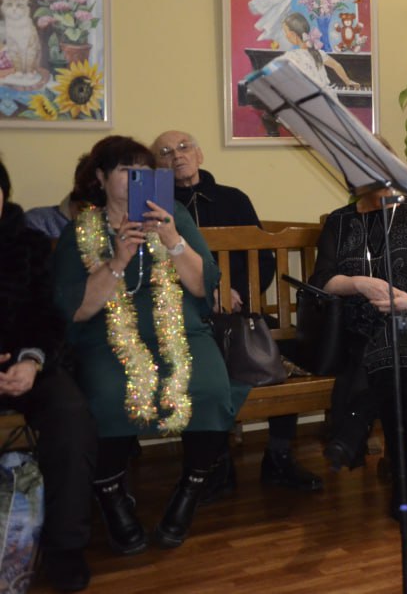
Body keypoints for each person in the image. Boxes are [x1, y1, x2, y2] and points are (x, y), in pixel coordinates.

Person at [52, 136, 249, 553]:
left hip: (182, 332)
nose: (137, 179)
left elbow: (204, 286)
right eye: (126, 171)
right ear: (100, 177)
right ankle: (111, 495)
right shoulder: (81, 231)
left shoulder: (174, 215)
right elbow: (77, 310)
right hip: (107, 341)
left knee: (211, 390)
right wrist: (118, 260)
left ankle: (189, 490)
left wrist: (173, 239)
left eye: (144, 172)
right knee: (108, 396)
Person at [151, 129, 322, 494]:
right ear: (156, 166)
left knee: (281, 344)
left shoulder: (234, 198)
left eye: (183, 147)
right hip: (185, 317)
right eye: (165, 152)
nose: (176, 155)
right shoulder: (155, 210)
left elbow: (263, 258)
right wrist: (206, 293)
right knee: (193, 361)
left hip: (239, 314)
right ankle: (214, 462)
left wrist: (237, 294)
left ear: (199, 154)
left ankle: (279, 456)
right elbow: (154, 267)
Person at [311, 189, 407, 522]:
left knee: (400, 335)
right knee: (393, 350)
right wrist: (358, 284)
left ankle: (357, 427)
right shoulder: (340, 221)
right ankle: (401, 469)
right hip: (359, 326)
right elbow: (322, 280)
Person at [0, 157, 97, 592]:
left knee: (71, 416)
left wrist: (31, 361)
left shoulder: (28, 243)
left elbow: (47, 314)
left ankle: (65, 547)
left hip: (27, 364)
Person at [280, 11, 359, 96]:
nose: (285, 36)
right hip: (327, 96)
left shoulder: (291, 56)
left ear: (293, 34)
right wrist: (347, 81)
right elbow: (336, 65)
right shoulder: (318, 52)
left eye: (285, 32)